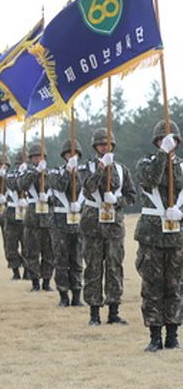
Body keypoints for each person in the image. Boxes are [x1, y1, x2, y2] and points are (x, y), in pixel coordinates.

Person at [134, 121, 183, 351]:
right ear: (156, 142)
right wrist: (163, 155)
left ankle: (172, 335)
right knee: (152, 286)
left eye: (172, 140)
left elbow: (179, 183)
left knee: (174, 286)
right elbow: (152, 180)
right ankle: (155, 336)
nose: (168, 143)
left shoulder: (182, 167)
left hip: (176, 236)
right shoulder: (145, 163)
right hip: (152, 235)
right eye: (163, 140)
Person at [80, 128, 135, 325]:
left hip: (114, 225)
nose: (105, 147)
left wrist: (117, 201)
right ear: (95, 146)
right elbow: (87, 190)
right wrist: (102, 168)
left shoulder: (122, 170)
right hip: (93, 223)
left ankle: (114, 311)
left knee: (115, 267)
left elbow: (132, 195)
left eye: (108, 144)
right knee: (93, 267)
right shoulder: (86, 167)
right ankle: (94, 314)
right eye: (101, 144)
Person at [48, 139, 85, 307]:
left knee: (77, 260)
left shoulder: (84, 172)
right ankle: (63, 295)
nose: (72, 156)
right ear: (64, 155)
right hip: (60, 223)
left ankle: (77, 294)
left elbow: (91, 192)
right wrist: (68, 170)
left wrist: (81, 204)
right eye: (69, 153)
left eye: (75, 153)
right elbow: (60, 187)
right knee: (61, 260)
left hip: (78, 222)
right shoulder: (55, 172)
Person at [19, 143, 54, 292]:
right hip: (33, 218)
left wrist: (48, 198)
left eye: (39, 157)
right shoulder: (27, 173)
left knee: (49, 252)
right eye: (34, 157)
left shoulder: (51, 173)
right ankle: (35, 281)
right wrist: (35, 172)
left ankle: (46, 281)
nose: (37, 159)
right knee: (32, 251)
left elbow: (59, 191)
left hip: (48, 217)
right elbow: (22, 185)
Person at [4, 152, 28, 280]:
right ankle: (15, 271)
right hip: (12, 213)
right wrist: (20, 174)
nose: (20, 165)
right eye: (18, 164)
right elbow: (12, 184)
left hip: (27, 214)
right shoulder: (11, 174)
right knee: (11, 245)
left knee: (28, 245)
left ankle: (28, 271)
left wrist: (26, 174)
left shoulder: (32, 173)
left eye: (21, 164)